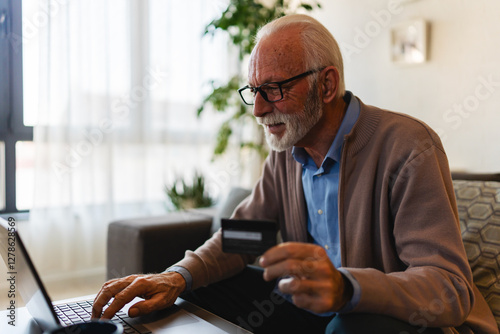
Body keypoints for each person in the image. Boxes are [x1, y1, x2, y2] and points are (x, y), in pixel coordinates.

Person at [92, 14, 497, 334]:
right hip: (315, 314)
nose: (258, 109)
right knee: (201, 288)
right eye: (254, 90)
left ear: (326, 85)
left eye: (274, 89)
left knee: (351, 324)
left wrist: (345, 288)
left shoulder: (408, 147)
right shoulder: (287, 154)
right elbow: (243, 238)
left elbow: (450, 288)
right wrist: (176, 277)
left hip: (404, 323)